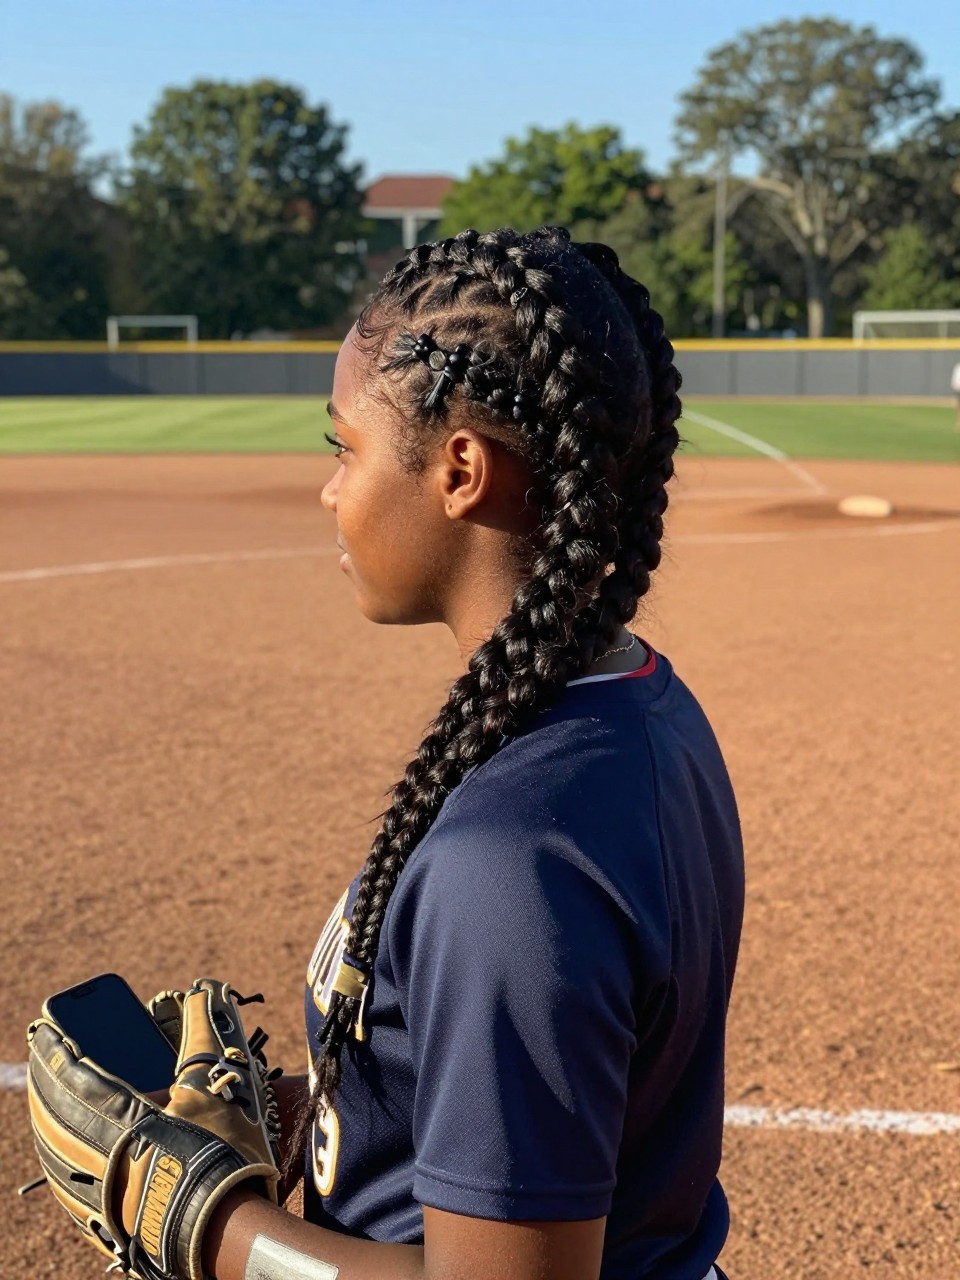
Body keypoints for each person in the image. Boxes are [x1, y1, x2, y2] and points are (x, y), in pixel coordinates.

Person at [33, 227, 745, 1280]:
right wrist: (315, 1111)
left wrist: (202, 1220)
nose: (330, 491)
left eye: (345, 449)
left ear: (460, 470)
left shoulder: (509, 866)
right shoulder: (637, 710)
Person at [951, 359, 960, 430]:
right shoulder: (958, 367)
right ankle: (958, 423)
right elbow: (955, 379)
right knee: (958, 407)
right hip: (958, 389)